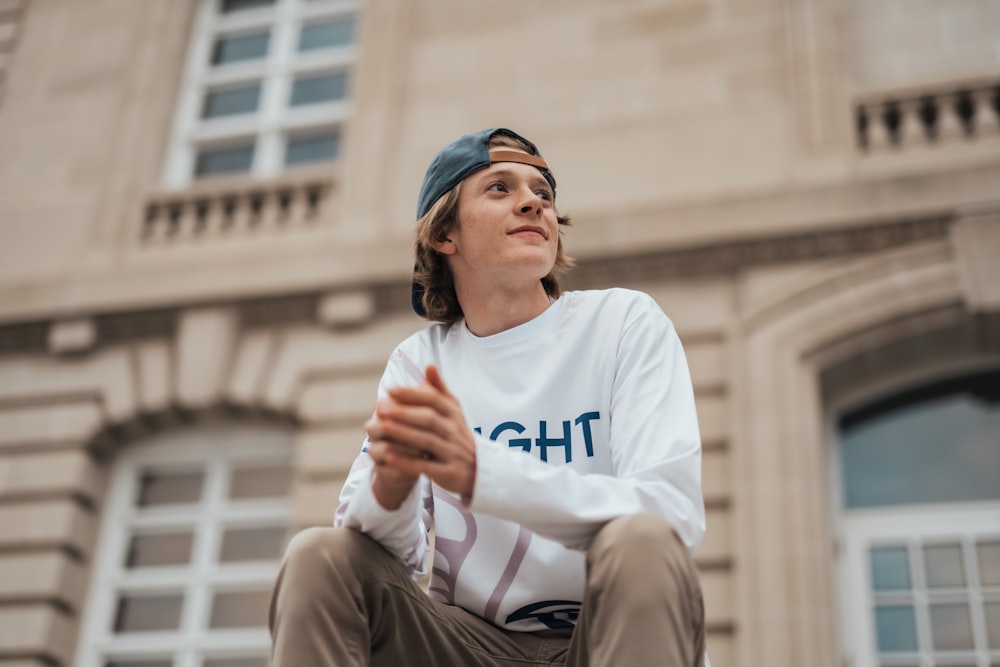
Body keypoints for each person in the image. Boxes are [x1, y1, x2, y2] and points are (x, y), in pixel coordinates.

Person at [269, 128, 707, 666]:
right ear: (444, 236)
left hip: (611, 633)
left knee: (642, 540)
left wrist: (482, 474)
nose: (533, 202)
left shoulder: (623, 322)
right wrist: (393, 486)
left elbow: (672, 515)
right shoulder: (419, 362)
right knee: (319, 556)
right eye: (500, 188)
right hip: (470, 647)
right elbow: (384, 559)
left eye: (543, 194)